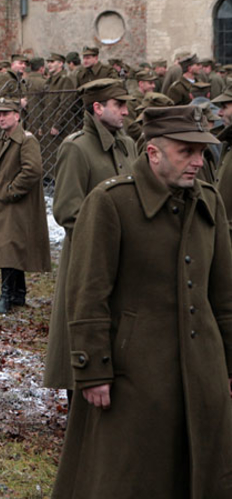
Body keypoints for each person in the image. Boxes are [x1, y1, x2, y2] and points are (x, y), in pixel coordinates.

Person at [52, 105, 232, 498]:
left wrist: (228, 364)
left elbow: (224, 297)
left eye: (202, 153)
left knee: (202, 473)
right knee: (127, 477)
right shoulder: (111, 202)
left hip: (203, 373)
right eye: (187, 151)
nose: (198, 162)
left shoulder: (209, 202)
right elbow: (87, 294)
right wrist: (93, 370)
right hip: (134, 376)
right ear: (153, 152)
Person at [43, 79, 137, 396]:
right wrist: (109, 234)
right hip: (87, 257)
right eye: (119, 105)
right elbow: (67, 210)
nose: (126, 111)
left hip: (128, 256)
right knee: (83, 331)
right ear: (97, 109)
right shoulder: (76, 148)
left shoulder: (128, 145)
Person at [0, 98, 51, 313]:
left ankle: (6, 297)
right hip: (7, 202)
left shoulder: (26, 140)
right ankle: (17, 294)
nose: (1, 118)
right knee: (9, 245)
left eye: (6, 113)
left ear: (17, 115)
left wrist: (10, 191)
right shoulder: (4, 139)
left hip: (16, 203)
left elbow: (33, 170)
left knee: (7, 247)